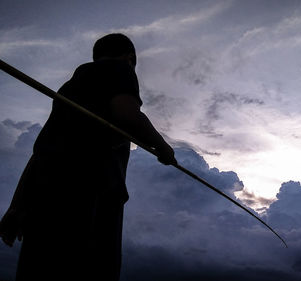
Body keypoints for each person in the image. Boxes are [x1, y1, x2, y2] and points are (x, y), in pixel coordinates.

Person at [0, 33, 176, 280]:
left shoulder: (71, 88)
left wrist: (17, 206)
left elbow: (41, 153)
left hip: (44, 197)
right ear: (130, 58)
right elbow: (126, 113)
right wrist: (163, 148)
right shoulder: (120, 68)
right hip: (90, 193)